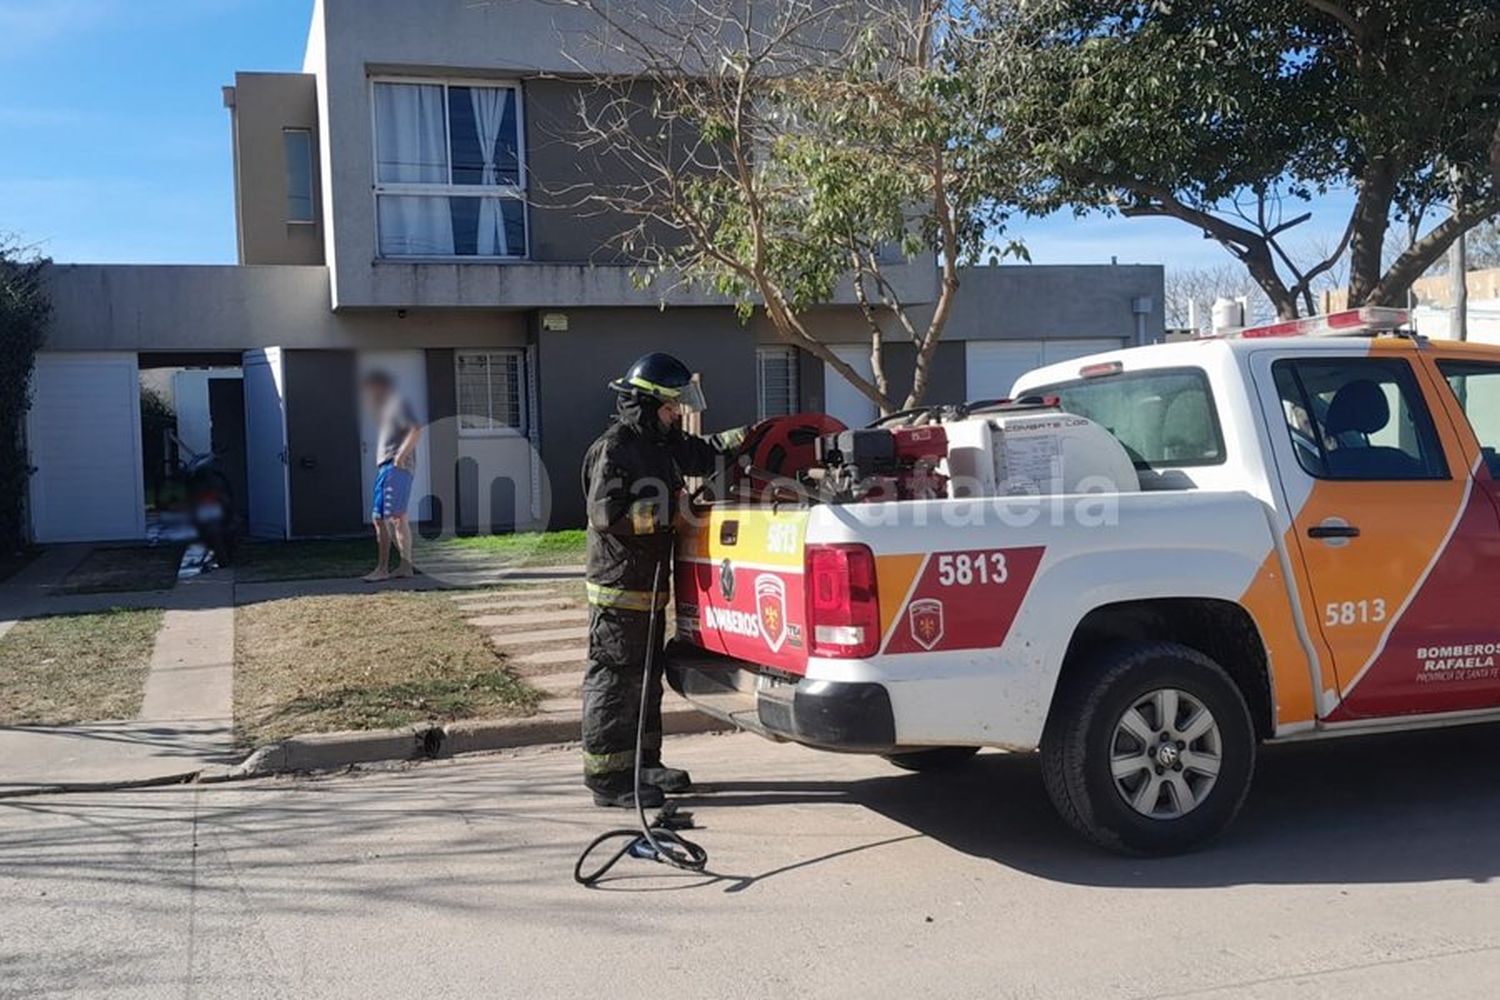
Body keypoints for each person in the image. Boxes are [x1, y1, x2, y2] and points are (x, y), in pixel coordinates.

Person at [580, 352, 746, 808]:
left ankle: (644, 764)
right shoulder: (616, 447)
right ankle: (609, 782)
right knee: (616, 681)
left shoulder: (660, 441)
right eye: (672, 408)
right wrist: (673, 511)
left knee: (647, 678)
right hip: (618, 590)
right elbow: (606, 515)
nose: (677, 416)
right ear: (649, 404)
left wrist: (751, 435)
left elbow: (705, 453)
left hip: (650, 588)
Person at [362, 370, 422, 582]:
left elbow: (416, 429)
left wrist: (399, 458)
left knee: (382, 518)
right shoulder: (388, 409)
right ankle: (405, 567)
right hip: (389, 468)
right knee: (396, 518)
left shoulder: (397, 404)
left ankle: (383, 569)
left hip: (394, 468)